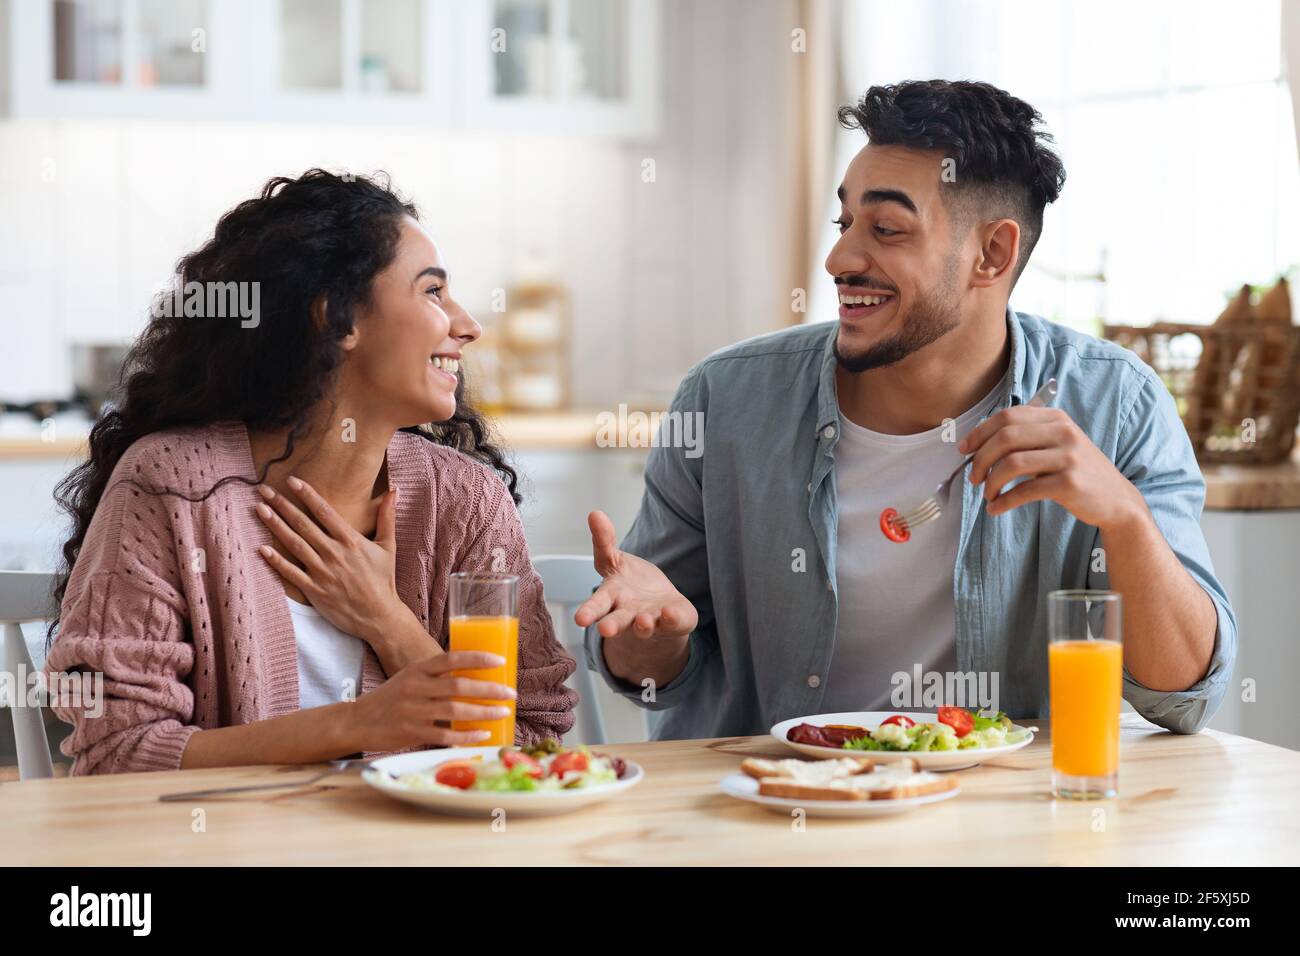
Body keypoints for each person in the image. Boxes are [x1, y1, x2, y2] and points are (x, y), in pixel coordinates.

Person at [576, 80, 1236, 738]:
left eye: (886, 229)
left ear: (993, 254)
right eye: (845, 224)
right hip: (770, 815)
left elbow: (1181, 699)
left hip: (1002, 826)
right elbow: (652, 674)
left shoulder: (1116, 403)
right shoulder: (725, 401)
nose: (838, 259)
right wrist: (646, 637)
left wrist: (1123, 518)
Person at [45, 170, 578, 774]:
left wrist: (387, 619)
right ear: (339, 318)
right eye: (432, 292)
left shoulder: (466, 501)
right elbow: (119, 752)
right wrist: (355, 723)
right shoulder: (173, 485)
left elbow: (529, 743)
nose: (468, 325)